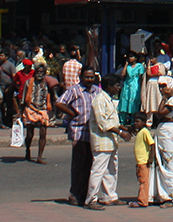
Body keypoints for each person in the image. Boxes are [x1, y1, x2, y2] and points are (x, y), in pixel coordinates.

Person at [56, 65, 97, 206]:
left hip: (93, 133)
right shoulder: (75, 90)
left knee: (89, 165)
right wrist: (72, 113)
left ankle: (85, 193)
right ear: (81, 77)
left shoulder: (97, 91)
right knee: (78, 165)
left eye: (91, 77)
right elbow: (60, 103)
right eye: (86, 77)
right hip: (79, 132)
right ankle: (74, 194)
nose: (89, 79)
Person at [87, 73, 123, 209]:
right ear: (109, 86)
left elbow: (112, 120)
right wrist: (120, 132)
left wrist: (124, 128)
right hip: (102, 141)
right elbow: (103, 123)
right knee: (98, 171)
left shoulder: (109, 99)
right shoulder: (99, 99)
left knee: (111, 170)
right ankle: (91, 199)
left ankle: (109, 196)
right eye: (116, 86)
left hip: (111, 141)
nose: (118, 88)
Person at [150, 79, 173, 208]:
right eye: (160, 87)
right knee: (162, 163)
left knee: (171, 163)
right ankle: (163, 194)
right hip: (164, 132)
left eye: (164, 86)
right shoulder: (170, 101)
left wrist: (164, 98)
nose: (161, 89)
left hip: (170, 132)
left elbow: (160, 113)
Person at [20, 60, 52, 163]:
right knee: (30, 134)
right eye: (38, 72)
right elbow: (24, 99)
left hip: (42, 110)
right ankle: (27, 150)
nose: (40, 74)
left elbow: (49, 95)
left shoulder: (46, 83)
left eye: (42, 72)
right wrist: (20, 113)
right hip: (30, 110)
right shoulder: (29, 82)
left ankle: (39, 157)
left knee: (43, 132)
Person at [130, 119, 156, 208]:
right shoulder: (140, 132)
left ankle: (142, 201)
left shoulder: (145, 132)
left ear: (143, 122)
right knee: (141, 180)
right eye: (135, 121)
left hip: (143, 162)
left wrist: (151, 158)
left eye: (137, 121)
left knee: (143, 182)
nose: (135, 123)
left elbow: (152, 144)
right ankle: (143, 198)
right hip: (139, 162)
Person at [117, 52, 144, 124]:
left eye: (132, 57)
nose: (130, 58)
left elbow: (141, 77)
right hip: (127, 86)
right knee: (124, 102)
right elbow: (122, 74)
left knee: (134, 103)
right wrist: (126, 64)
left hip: (135, 87)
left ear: (135, 58)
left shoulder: (139, 66)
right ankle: (122, 121)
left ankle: (133, 121)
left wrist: (142, 88)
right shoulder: (128, 66)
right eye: (129, 57)